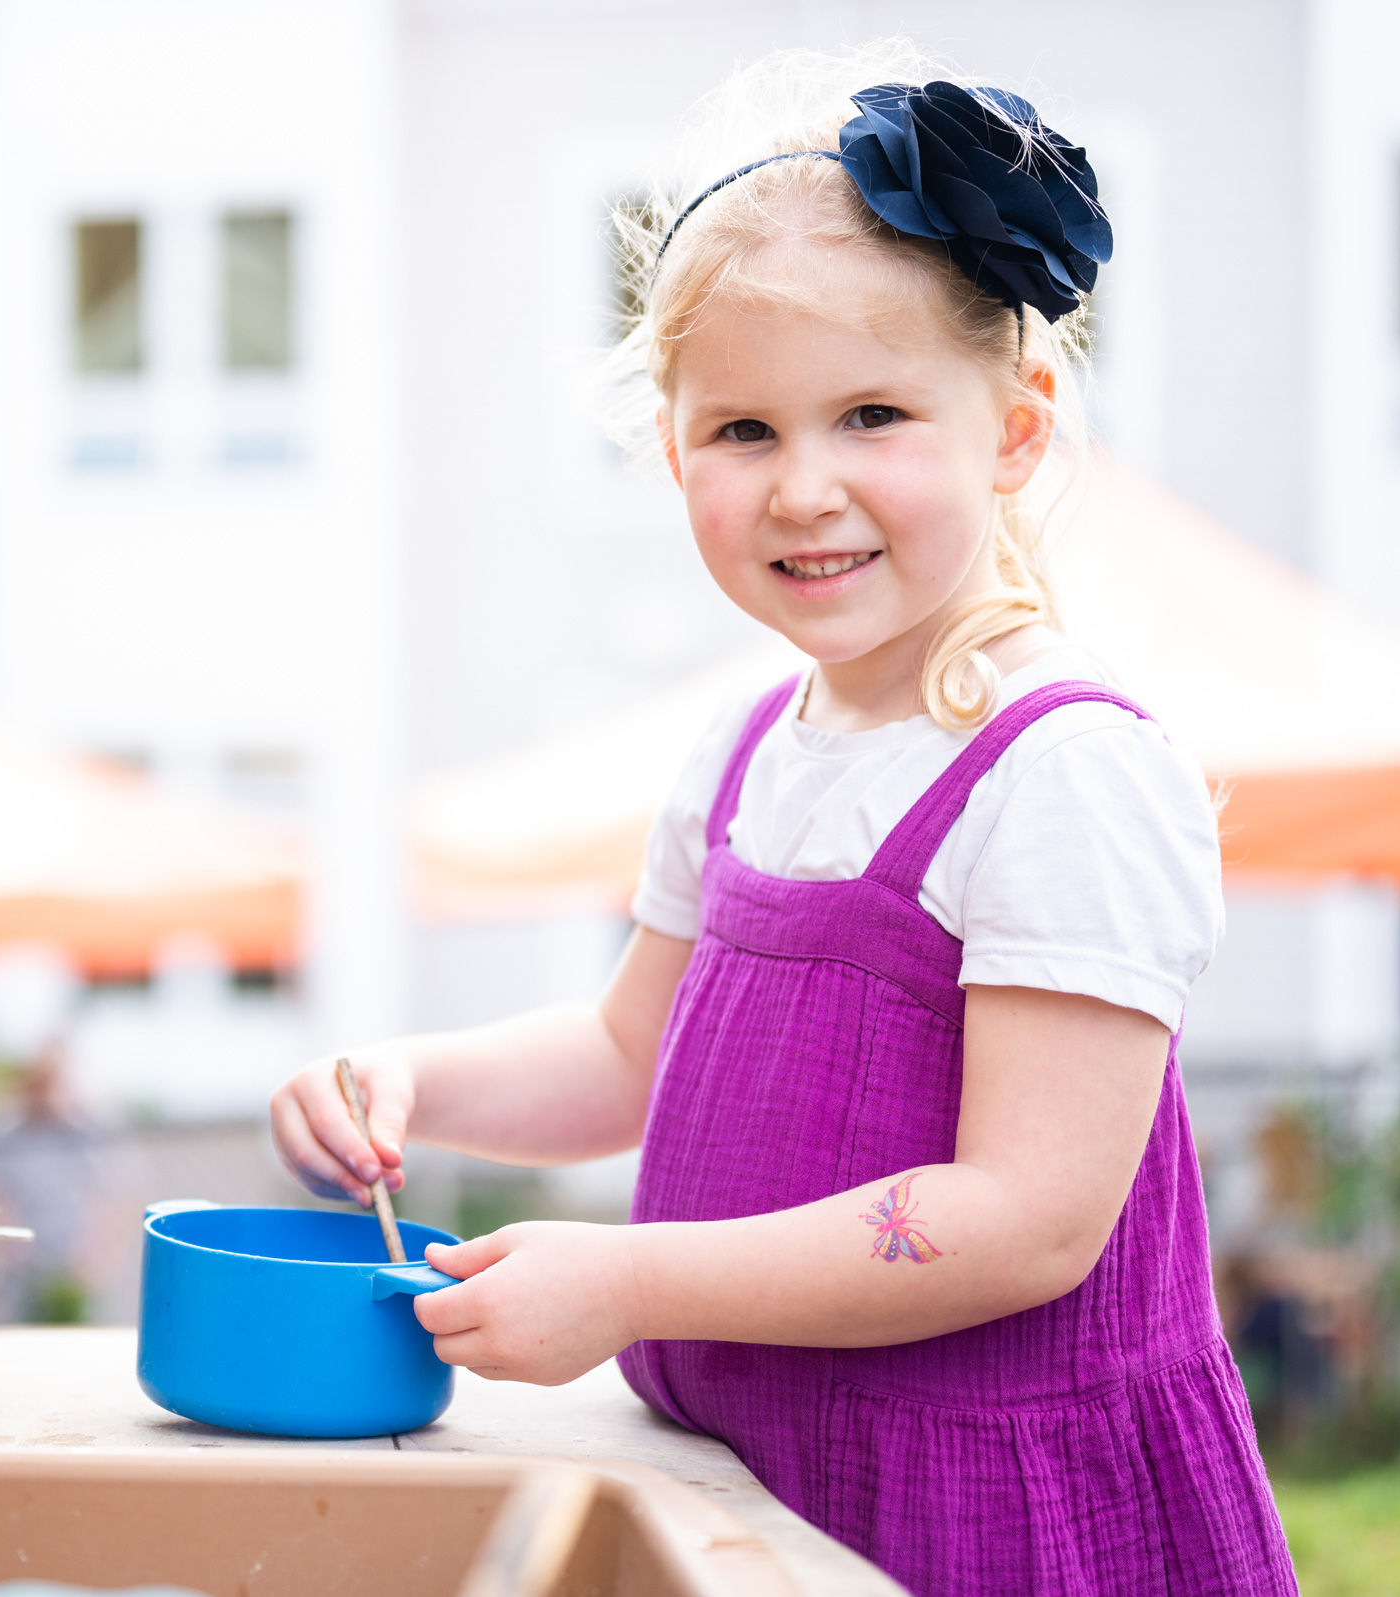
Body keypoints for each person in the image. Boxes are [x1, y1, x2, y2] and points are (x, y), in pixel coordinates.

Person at [270, 44, 1297, 1594]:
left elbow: (1024, 1219)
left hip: (984, 1518)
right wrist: (408, 1077)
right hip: (746, 1487)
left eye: (872, 413)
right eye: (743, 432)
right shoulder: (751, 746)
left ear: (1014, 429)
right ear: (675, 450)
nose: (804, 487)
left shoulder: (1065, 769)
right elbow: (631, 1053)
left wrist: (625, 1283)